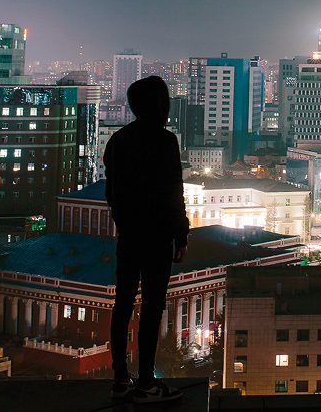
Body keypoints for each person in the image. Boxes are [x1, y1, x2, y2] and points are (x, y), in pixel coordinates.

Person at [104, 75, 190, 403]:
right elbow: (173, 193)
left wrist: (123, 220)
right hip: (157, 235)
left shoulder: (118, 140)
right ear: (160, 105)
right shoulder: (165, 141)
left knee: (123, 303)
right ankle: (146, 382)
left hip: (128, 234)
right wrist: (181, 236)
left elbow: (112, 191)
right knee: (152, 307)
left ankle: (119, 378)